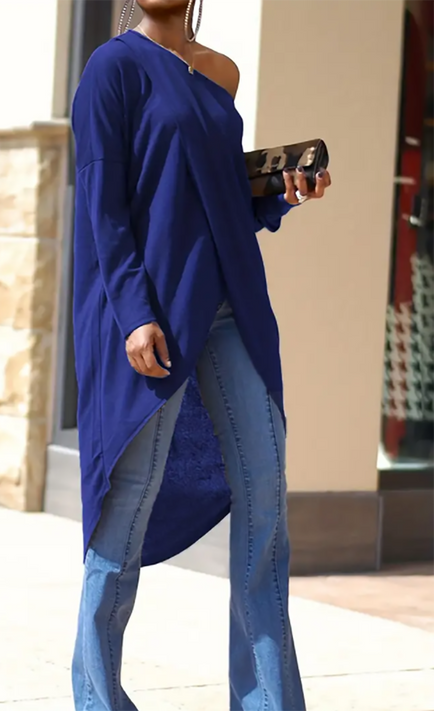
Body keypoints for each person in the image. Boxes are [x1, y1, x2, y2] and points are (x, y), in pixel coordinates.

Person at [70, 1, 332, 709]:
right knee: (125, 510)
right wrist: (134, 314)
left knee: (264, 498)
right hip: (153, 316)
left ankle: (268, 700)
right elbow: (103, 206)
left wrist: (281, 195)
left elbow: (219, 201)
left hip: (231, 309)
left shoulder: (221, 73)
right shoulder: (111, 68)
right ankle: (97, 698)